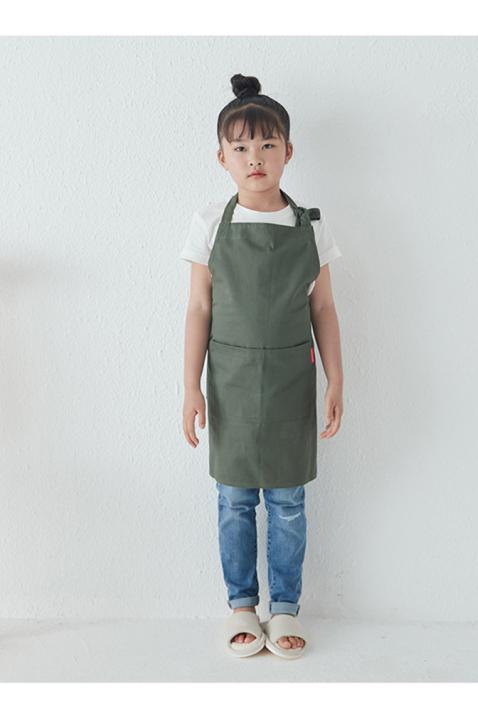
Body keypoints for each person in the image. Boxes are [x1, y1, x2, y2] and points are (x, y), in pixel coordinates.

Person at [180, 73, 344, 659]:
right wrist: (190, 387)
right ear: (221, 157)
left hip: (291, 382)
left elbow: (323, 307)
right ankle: (242, 605)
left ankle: (286, 608)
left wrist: (337, 379)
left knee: (288, 501)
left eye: (268, 145)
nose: (255, 158)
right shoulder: (209, 223)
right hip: (228, 381)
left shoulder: (311, 225)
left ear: (288, 152)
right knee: (234, 499)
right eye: (242, 147)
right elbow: (199, 308)